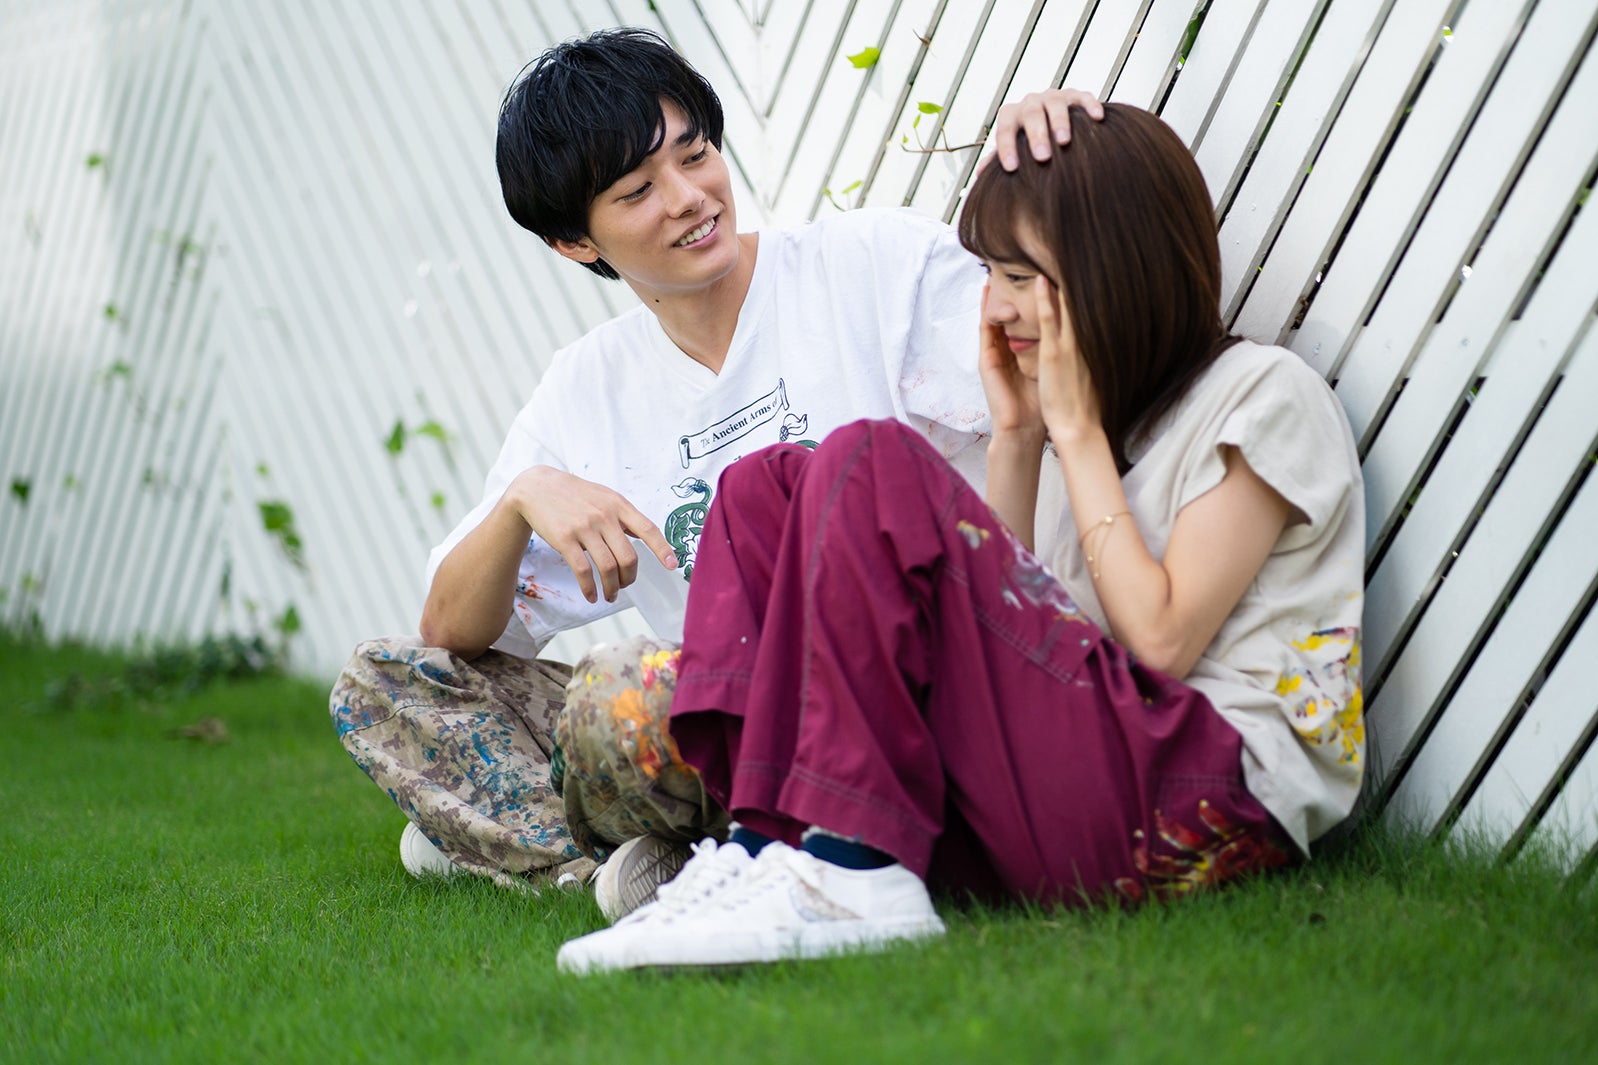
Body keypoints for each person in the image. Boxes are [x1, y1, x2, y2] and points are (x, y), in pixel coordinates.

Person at [556, 101, 1366, 973]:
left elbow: (1161, 645)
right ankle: (774, 846)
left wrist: (1072, 433)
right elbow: (1021, 636)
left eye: (1018, 277)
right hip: (1082, 785)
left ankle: (851, 865)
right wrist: (1017, 437)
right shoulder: (1079, 436)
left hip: (1207, 798)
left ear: (1111, 270)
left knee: (871, 460)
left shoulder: (1262, 395)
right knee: (764, 486)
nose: (996, 305)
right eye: (991, 273)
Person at [328, 27, 1100, 902]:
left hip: (920, 684)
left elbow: (1065, 358)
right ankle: (613, 867)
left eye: (695, 156)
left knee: (615, 698)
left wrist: (1056, 165)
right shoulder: (587, 390)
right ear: (575, 242)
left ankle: (576, 845)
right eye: (638, 191)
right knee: (385, 682)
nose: (690, 198)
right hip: (731, 729)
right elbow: (450, 634)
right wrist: (520, 500)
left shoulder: (872, 268)